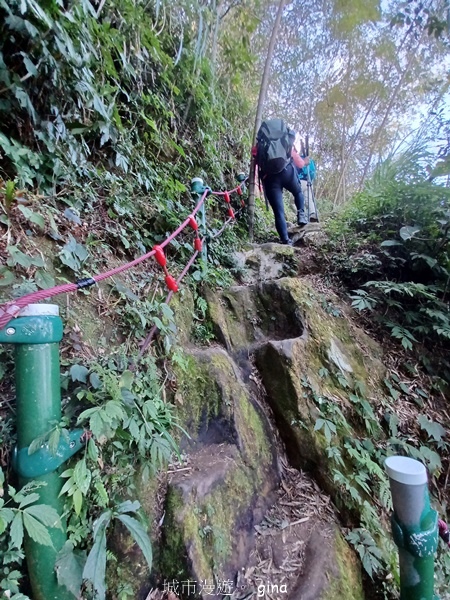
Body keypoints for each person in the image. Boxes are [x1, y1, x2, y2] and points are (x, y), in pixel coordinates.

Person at [255, 119, 309, 245]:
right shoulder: (284, 141)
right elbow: (299, 163)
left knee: (279, 211)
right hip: (287, 172)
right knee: (298, 192)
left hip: (270, 178)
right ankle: (301, 214)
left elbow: (256, 164)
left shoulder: (261, 145)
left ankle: (285, 240)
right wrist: (305, 161)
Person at [297, 157, 318, 222]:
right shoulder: (310, 160)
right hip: (309, 182)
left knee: (293, 200)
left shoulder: (299, 159)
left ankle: (302, 215)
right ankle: (312, 213)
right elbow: (313, 174)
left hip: (300, 181)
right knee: (308, 200)